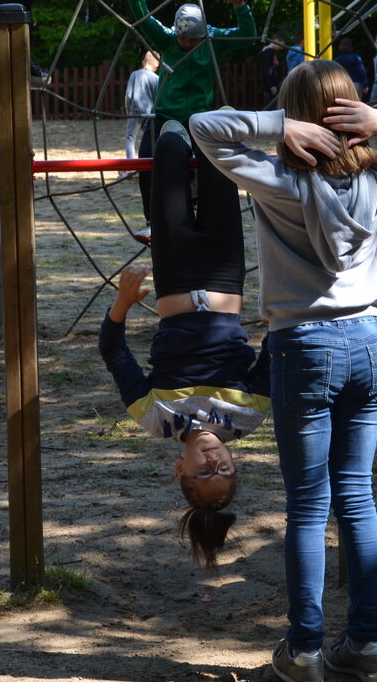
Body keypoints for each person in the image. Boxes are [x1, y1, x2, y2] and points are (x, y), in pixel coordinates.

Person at [190, 60, 377, 682]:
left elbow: (203, 125)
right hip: (367, 342)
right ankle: (368, 644)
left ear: (296, 119)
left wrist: (278, 127)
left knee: (308, 505)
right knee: (356, 495)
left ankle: (305, 650)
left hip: (301, 345)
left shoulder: (276, 180)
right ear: (352, 114)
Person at [99, 121, 269, 570]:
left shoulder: (156, 417)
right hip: (224, 272)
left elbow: (113, 353)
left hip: (174, 272)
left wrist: (122, 304)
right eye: (223, 469)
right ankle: (202, 132)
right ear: (234, 463)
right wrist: (278, 323)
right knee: (216, 155)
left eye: (203, 471)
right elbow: (277, 354)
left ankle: (173, 123)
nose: (214, 461)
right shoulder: (251, 415)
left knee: (170, 146)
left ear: (180, 469)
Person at [118, 0, 255, 228]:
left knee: (206, 167)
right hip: (165, 116)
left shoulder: (213, 40)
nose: (190, 44)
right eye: (185, 39)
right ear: (177, 33)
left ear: (204, 34)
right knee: (147, 164)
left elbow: (247, 36)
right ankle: (152, 221)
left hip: (199, 120)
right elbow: (145, 20)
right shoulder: (168, 39)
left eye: (195, 39)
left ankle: (201, 217)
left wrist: (240, 6)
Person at [124, 50, 160, 160]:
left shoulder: (135, 75)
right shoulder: (156, 79)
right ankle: (152, 160)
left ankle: (130, 164)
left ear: (144, 62)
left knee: (130, 137)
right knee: (150, 137)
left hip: (135, 110)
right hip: (149, 112)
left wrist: (128, 109)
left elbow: (128, 95)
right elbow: (156, 98)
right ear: (156, 65)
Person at [334, 37, 370, 101]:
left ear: (340, 47)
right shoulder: (356, 58)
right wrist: (365, 84)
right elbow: (361, 71)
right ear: (351, 47)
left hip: (342, 84)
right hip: (356, 83)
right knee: (357, 102)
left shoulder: (337, 60)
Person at [258, 32, 288, 106]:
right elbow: (268, 69)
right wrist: (272, 85)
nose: (281, 48)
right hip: (271, 86)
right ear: (277, 41)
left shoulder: (272, 52)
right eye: (281, 45)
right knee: (272, 106)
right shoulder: (268, 53)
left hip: (273, 85)